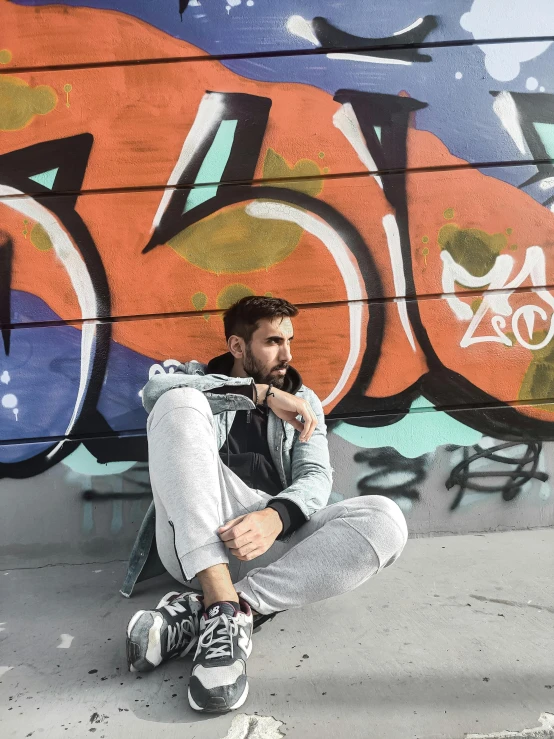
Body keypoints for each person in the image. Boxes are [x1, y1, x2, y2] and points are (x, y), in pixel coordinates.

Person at [125, 295, 408, 713]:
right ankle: (219, 603)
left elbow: (316, 477)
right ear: (238, 347)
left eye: (289, 341)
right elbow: (155, 391)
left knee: (386, 520)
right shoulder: (195, 381)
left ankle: (221, 610)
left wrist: (275, 517)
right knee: (177, 403)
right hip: (197, 545)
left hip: (270, 546)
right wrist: (262, 394)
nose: (288, 355)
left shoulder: (305, 400)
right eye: (273, 341)